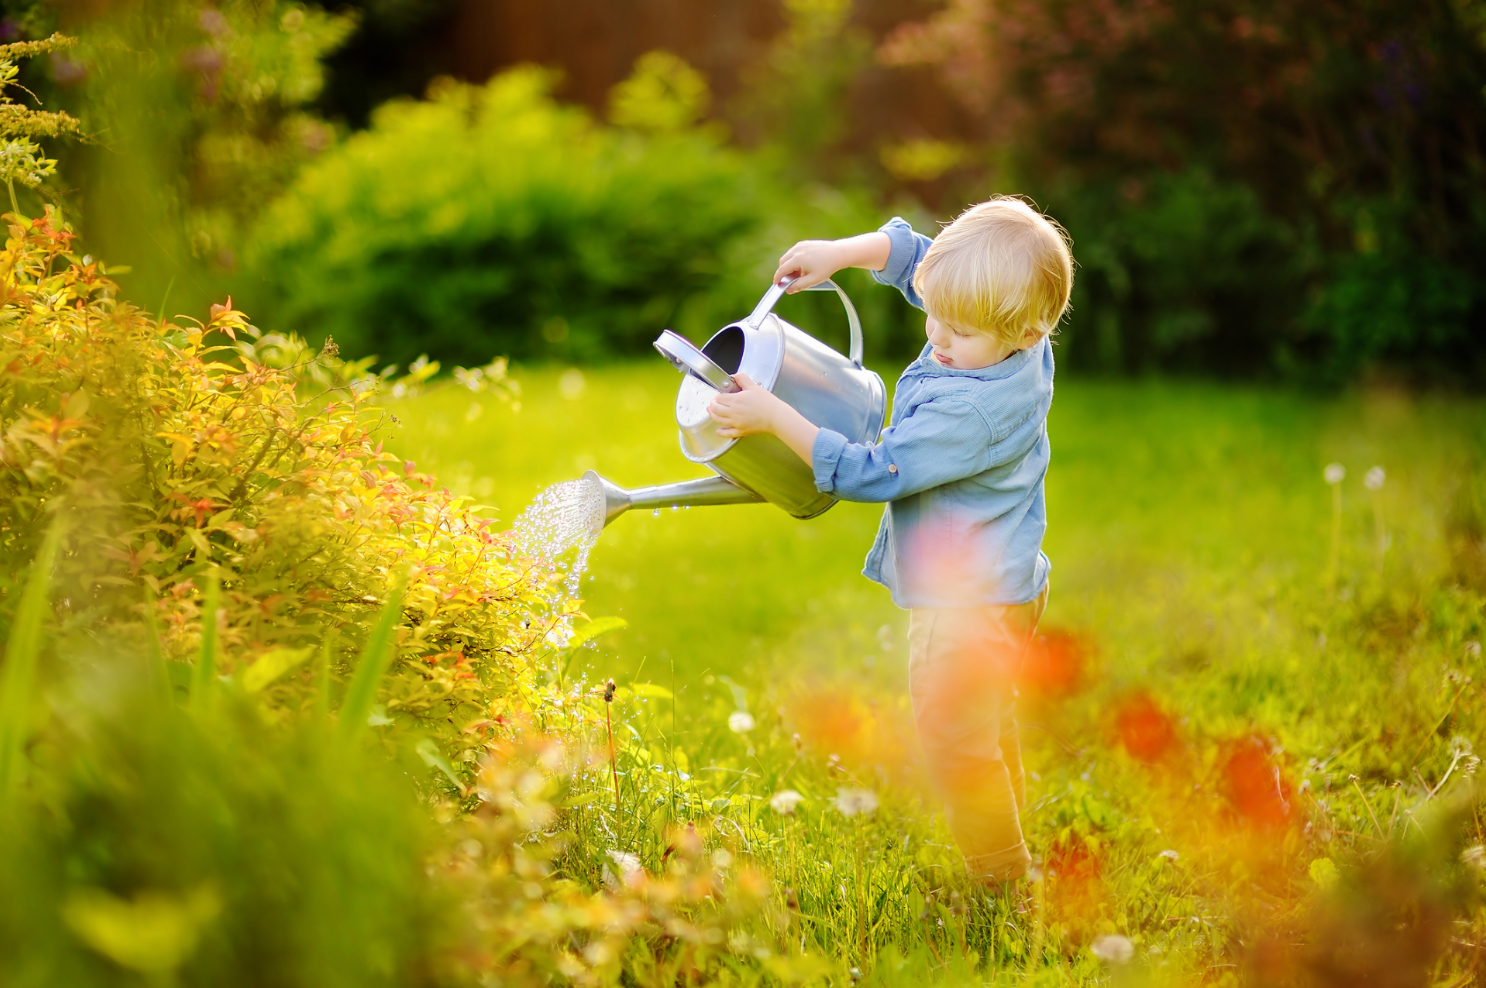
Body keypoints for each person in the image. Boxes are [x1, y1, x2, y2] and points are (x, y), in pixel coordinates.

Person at [706, 197, 1073, 884]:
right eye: (934, 312)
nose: (935, 334)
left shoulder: (969, 411)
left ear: (1023, 332)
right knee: (983, 729)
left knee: (955, 745)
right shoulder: (1018, 340)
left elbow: (870, 471)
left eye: (956, 332)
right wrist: (844, 251)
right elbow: (922, 262)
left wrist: (771, 414)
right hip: (1013, 583)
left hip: (964, 608)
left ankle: (1001, 882)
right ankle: (1012, 852)